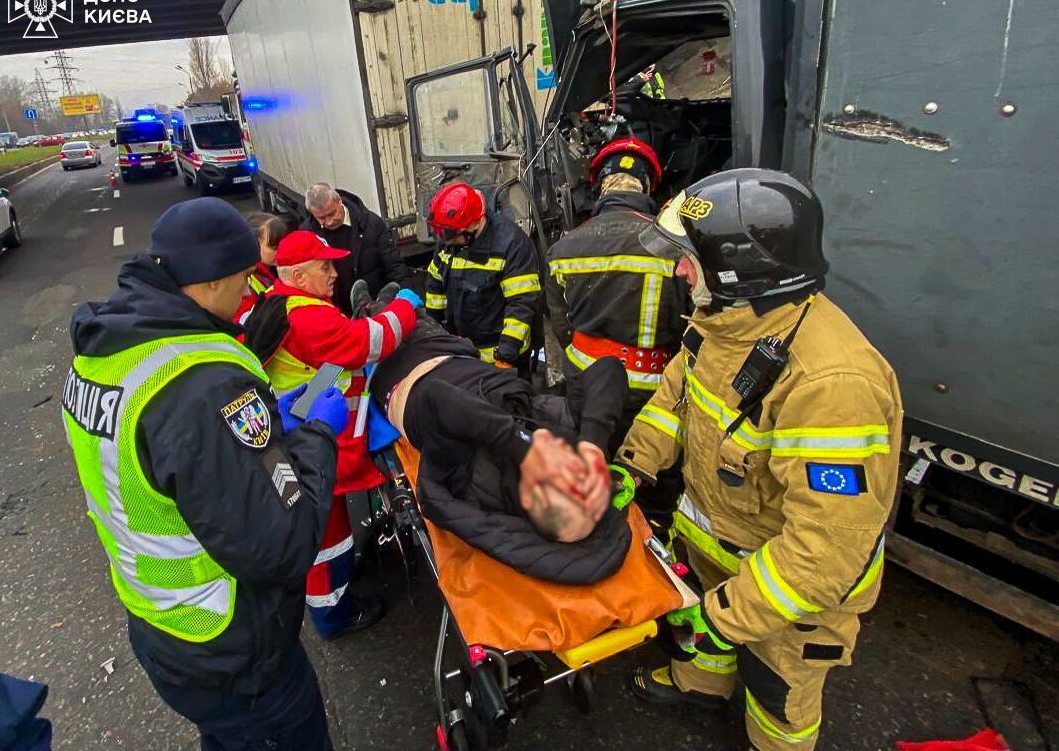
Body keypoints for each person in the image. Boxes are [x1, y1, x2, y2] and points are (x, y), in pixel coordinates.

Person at [618, 169, 903, 751]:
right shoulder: (721, 328)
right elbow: (672, 403)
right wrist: (631, 465)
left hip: (789, 597)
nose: (678, 271)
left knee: (778, 694)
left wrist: (728, 618)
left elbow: (822, 552)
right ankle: (701, 687)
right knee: (705, 638)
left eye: (688, 260)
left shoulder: (831, 384)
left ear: (736, 272)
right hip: (715, 549)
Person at [62, 197, 347, 749]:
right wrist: (314, 432)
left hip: (162, 626)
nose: (248, 294)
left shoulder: (109, 352)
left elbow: (173, 458)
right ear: (213, 278)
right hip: (233, 648)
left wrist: (263, 422)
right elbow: (282, 546)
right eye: (244, 279)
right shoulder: (205, 384)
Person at [244, 229, 420, 639]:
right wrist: (404, 310)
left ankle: (336, 591)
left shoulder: (278, 302)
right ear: (299, 276)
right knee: (327, 537)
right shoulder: (309, 315)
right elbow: (369, 342)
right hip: (317, 443)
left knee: (325, 528)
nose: (334, 273)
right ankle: (333, 615)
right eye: (325, 266)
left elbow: (315, 366)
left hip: (297, 427)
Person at [366, 310, 624, 582]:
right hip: (453, 349)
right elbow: (608, 369)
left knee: (378, 309)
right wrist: (592, 444)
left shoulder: (473, 477)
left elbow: (437, 397)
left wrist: (524, 448)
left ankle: (366, 304)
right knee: (406, 303)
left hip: (400, 369)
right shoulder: (551, 437)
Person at [546, 137, 686, 439]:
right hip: (655, 388)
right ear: (647, 185)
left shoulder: (563, 247)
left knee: (593, 457)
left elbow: (561, 324)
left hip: (585, 380)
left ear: (601, 187)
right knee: (648, 467)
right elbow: (687, 320)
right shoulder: (672, 245)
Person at [423, 182, 542, 372]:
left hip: (501, 358)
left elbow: (521, 304)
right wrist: (434, 337)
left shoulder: (511, 244)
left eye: (449, 234)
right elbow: (435, 288)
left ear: (474, 224)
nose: (445, 240)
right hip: (461, 354)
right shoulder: (449, 242)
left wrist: (505, 357)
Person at [300, 182, 411, 314]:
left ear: (339, 202)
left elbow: (394, 265)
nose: (329, 222)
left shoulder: (372, 224)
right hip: (335, 314)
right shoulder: (306, 233)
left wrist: (406, 296)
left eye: (332, 214)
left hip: (374, 309)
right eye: (322, 218)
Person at [235, 211, 288, 323]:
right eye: (274, 247)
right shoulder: (246, 281)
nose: (281, 251)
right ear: (254, 244)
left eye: (283, 245)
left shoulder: (270, 269)